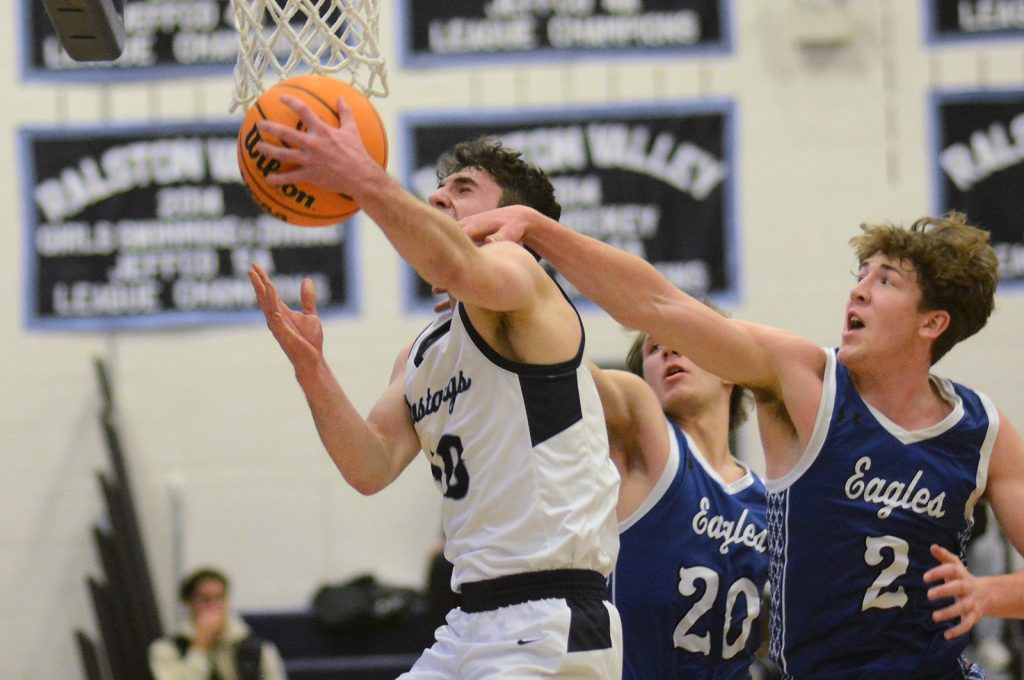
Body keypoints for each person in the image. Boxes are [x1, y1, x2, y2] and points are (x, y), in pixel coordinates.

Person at [461, 206, 1024, 679]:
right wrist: (539, 230)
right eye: (862, 274)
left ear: (932, 324)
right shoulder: (804, 380)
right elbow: (658, 304)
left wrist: (990, 594)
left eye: (886, 282)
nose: (859, 290)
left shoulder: (983, 432)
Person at [247, 102, 623, 678]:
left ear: (511, 218)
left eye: (463, 188)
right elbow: (369, 467)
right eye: (439, 188)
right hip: (469, 618)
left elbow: (458, 265)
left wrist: (360, 176)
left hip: (550, 613)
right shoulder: (420, 353)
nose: (439, 197)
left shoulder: (523, 280)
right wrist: (311, 369)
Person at [602, 324, 770, 680]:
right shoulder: (644, 449)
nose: (668, 350)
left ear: (729, 367)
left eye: (685, 338)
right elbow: (559, 363)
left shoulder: (768, 503)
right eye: (653, 348)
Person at [149, 566, 287, 680]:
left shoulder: (257, 648)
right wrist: (200, 645)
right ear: (189, 603)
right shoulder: (167, 649)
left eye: (219, 598)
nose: (213, 606)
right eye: (205, 599)